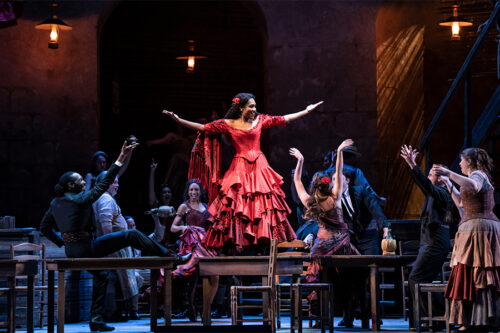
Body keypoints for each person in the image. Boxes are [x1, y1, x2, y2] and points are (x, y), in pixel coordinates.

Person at [40, 141, 185, 332]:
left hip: (71, 250)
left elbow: (44, 228)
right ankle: (170, 256)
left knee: (102, 274)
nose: (84, 182)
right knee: (131, 234)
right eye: (80, 181)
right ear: (70, 185)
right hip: (86, 248)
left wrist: (62, 241)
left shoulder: (54, 203)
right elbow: (103, 184)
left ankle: (96, 320)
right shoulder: (80, 199)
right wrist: (120, 159)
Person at [162, 93, 323, 253]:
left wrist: (306, 111)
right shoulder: (228, 123)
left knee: (264, 204)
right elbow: (204, 128)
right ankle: (239, 242)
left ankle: (262, 241)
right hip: (239, 169)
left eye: (255, 106)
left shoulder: (260, 120)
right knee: (237, 206)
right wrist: (178, 119)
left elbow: (283, 119)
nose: (254, 109)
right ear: (241, 108)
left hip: (259, 167)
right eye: (251, 106)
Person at [290, 140, 360, 327]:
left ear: (314, 187)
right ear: (327, 186)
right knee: (347, 278)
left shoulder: (309, 202)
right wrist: (339, 152)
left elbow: (297, 181)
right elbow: (338, 171)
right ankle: (347, 313)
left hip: (322, 248)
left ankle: (320, 317)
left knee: (321, 276)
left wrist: (301, 160)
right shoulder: (335, 197)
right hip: (342, 246)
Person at [432, 148, 500, 331]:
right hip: (472, 226)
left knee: (477, 270)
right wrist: (448, 183)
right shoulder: (472, 178)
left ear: (469, 161)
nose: (460, 164)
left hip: (480, 229)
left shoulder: (478, 175)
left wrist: (448, 173)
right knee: (468, 270)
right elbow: (461, 205)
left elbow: (475, 187)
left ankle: (481, 319)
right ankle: (471, 319)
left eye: (461, 160)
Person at [400, 145, 456, 330]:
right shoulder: (436, 193)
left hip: (435, 242)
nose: (428, 175)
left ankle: (435, 316)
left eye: (431, 172)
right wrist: (410, 165)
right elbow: (423, 183)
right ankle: (433, 317)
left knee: (416, 278)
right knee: (420, 280)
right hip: (430, 242)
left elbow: (424, 184)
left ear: (440, 178)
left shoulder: (441, 193)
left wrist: (413, 165)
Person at [93, 172, 140, 321]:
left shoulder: (105, 198)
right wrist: (111, 247)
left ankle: (115, 312)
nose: (117, 185)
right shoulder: (105, 199)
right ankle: (111, 313)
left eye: (117, 182)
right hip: (113, 249)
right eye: (113, 182)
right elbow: (106, 226)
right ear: (105, 183)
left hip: (115, 248)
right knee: (113, 280)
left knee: (119, 281)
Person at [170, 179, 219, 321]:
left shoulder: (205, 206)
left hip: (205, 245)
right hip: (192, 246)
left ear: (200, 192)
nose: (194, 192)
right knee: (193, 278)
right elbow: (173, 228)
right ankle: (192, 310)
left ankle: (206, 309)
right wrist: (184, 228)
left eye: (196, 190)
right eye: (191, 190)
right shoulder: (184, 207)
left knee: (215, 276)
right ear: (187, 191)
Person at [147, 159, 176, 248]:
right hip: (158, 243)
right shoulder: (156, 206)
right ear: (161, 196)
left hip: (172, 243)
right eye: (164, 192)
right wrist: (152, 171)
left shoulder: (175, 209)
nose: (167, 194)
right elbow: (151, 190)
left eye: (169, 192)